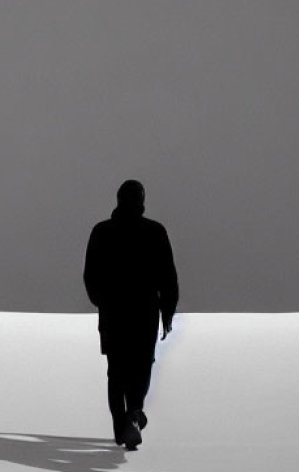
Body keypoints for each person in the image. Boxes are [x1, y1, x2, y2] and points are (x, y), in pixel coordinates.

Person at [83, 179, 178, 450]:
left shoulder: (102, 231)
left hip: (114, 312)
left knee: (117, 370)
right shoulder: (154, 231)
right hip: (144, 312)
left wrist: (102, 301)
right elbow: (168, 278)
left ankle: (122, 425)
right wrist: (167, 313)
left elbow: (91, 275)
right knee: (141, 365)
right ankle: (134, 412)